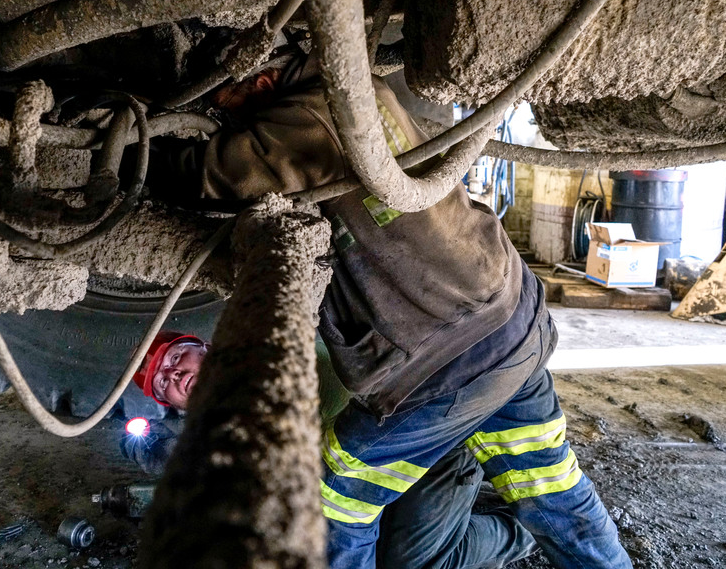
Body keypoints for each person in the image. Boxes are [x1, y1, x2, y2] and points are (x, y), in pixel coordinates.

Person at [139, 52, 632, 569]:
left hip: (441, 354)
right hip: (511, 321)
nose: (232, 124)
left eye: (231, 109)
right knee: (550, 486)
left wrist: (130, 157)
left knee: (334, 495)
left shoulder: (308, 114)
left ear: (264, 81)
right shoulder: (360, 91)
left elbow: (217, 174)